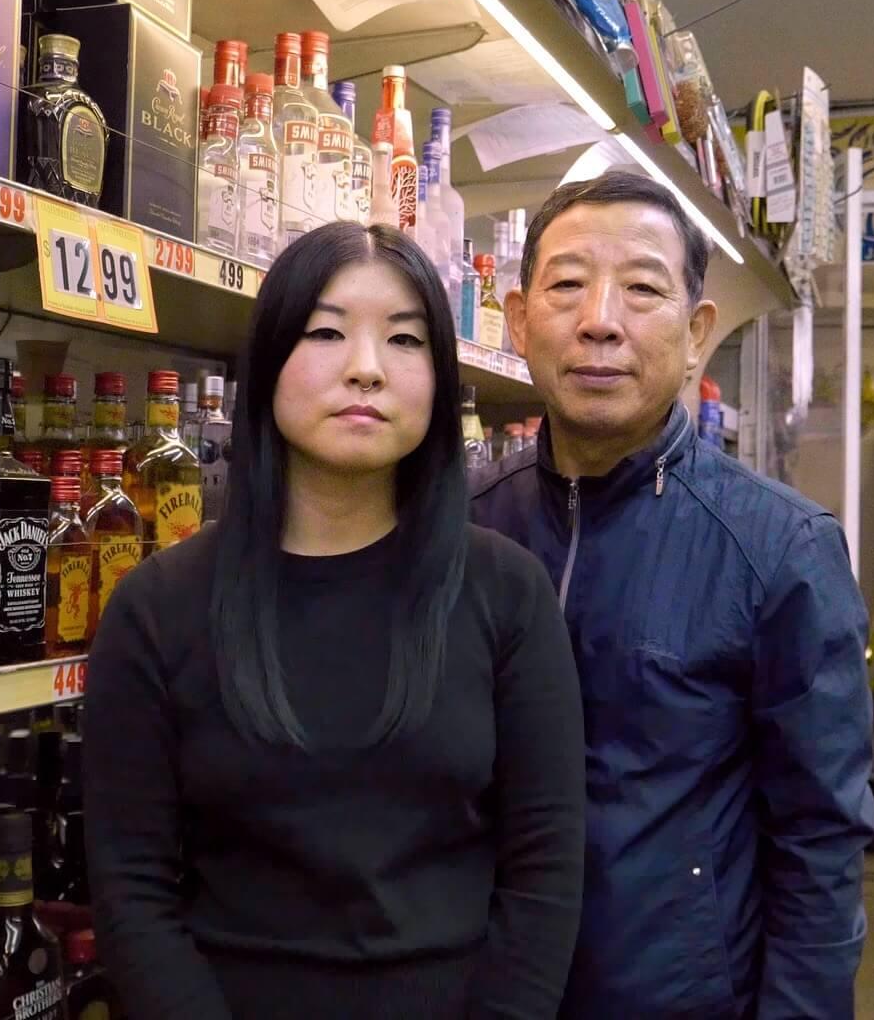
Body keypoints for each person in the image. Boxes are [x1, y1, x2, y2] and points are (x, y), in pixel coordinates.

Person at [83, 221, 586, 1020]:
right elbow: (130, 888)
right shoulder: (157, 609)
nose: (365, 368)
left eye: (405, 339)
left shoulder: (507, 595)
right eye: (325, 331)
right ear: (268, 363)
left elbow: (545, 870)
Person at [471, 171, 874, 1019]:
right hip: (481, 992)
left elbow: (820, 842)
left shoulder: (780, 551)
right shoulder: (462, 528)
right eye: (568, 285)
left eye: (642, 288)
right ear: (518, 318)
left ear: (696, 335)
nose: (600, 320)